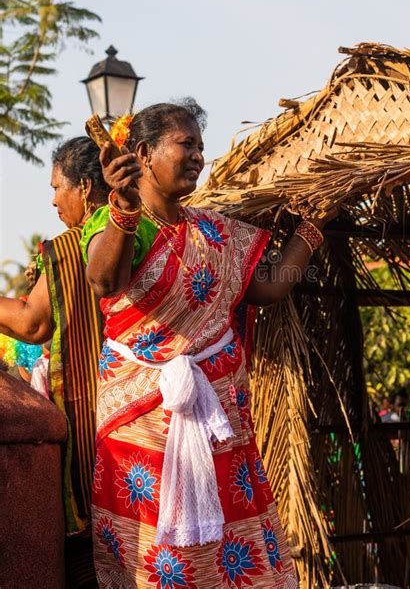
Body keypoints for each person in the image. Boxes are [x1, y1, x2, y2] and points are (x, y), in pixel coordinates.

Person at [81, 99, 336, 588]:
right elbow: (103, 280)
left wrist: (310, 229)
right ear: (143, 152)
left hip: (220, 426)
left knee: (229, 551)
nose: (198, 154)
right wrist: (124, 213)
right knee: (158, 557)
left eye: (200, 144)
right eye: (185, 143)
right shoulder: (114, 223)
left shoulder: (214, 231)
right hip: (142, 427)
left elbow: (270, 287)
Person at [0, 137, 109, 588]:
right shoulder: (147, 228)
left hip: (96, 416)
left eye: (56, 187)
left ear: (84, 187)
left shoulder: (74, 247)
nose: (52, 199)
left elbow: (32, 324)